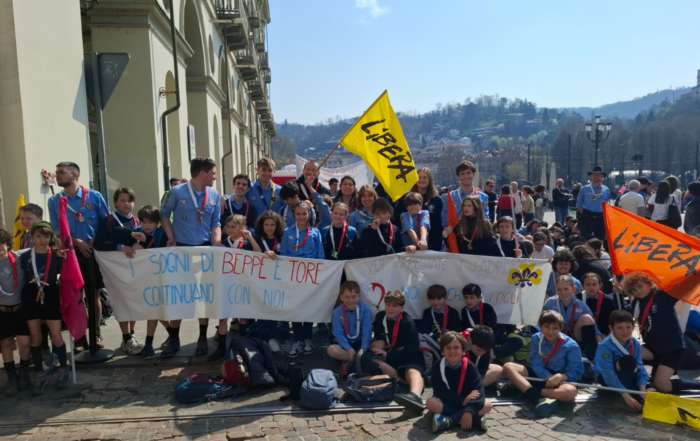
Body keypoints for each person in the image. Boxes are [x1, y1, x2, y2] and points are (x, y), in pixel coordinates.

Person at [159, 157, 222, 358]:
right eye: (213, 173)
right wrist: (170, 237)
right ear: (202, 173)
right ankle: (174, 338)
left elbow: (216, 223)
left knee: (204, 296)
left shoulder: (214, 194)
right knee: (180, 295)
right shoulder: (175, 192)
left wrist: (217, 241)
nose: (215, 177)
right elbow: (163, 215)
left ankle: (202, 337)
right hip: (182, 251)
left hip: (205, 250)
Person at [48, 161, 109, 350]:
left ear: (74, 174)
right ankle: (80, 337)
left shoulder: (94, 196)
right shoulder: (55, 200)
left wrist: (94, 240)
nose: (57, 175)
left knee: (94, 293)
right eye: (56, 172)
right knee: (76, 295)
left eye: (61, 172)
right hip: (71, 253)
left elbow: (106, 221)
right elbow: (57, 229)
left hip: (93, 251)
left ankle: (95, 332)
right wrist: (77, 242)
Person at [622, 272, 700, 393]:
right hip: (652, 348)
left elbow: (684, 286)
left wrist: (696, 272)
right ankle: (631, 384)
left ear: (649, 284)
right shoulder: (636, 303)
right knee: (622, 351)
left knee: (662, 385)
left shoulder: (663, 296)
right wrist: (615, 294)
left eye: (640, 286)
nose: (638, 291)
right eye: (634, 289)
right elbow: (621, 314)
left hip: (672, 349)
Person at [500, 310, 583, 418]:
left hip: (559, 381)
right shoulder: (536, 338)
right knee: (508, 366)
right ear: (540, 326)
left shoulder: (571, 345)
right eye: (546, 327)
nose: (550, 331)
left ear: (560, 328)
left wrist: (560, 376)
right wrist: (548, 377)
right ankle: (537, 397)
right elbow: (535, 362)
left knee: (570, 392)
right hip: (541, 375)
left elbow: (576, 371)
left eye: (555, 328)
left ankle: (523, 390)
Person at [93, 187, 146, 355]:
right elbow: (99, 243)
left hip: (133, 270)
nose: (126, 203)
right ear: (115, 202)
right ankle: (126, 337)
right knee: (122, 302)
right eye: (122, 200)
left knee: (133, 302)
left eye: (129, 200)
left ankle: (132, 334)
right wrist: (119, 247)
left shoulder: (137, 222)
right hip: (116, 271)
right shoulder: (108, 220)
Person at [19, 222, 71, 394]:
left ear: (51, 237)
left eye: (46, 236)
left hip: (50, 296)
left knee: (56, 335)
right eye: (38, 236)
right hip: (31, 297)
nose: (42, 240)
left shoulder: (57, 255)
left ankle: (63, 369)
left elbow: (69, 274)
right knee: (35, 336)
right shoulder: (24, 256)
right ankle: (39, 372)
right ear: (32, 237)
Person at [208, 215, 261, 362]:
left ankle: (243, 346)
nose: (230, 230)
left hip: (242, 284)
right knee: (223, 316)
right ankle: (221, 348)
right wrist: (217, 248)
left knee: (242, 316)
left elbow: (258, 254)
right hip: (225, 284)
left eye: (233, 227)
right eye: (228, 227)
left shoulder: (247, 244)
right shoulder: (223, 244)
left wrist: (251, 238)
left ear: (242, 228)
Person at [281, 201, 324, 358]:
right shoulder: (287, 232)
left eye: (304, 213)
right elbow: (284, 254)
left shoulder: (315, 232)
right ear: (293, 215)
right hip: (294, 276)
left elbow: (320, 255)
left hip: (310, 276)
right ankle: (297, 339)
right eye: (298, 214)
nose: (301, 216)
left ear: (309, 214)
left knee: (309, 307)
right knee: (296, 307)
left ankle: (307, 338)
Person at [372, 290, 426, 413]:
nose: (390, 308)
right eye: (388, 305)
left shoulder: (407, 322)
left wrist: (388, 354)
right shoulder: (380, 317)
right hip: (390, 353)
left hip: (408, 354)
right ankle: (404, 380)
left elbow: (412, 349)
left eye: (395, 306)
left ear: (402, 308)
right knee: (374, 359)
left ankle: (415, 395)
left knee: (411, 370)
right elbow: (380, 337)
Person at [428, 331, 491, 434]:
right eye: (448, 347)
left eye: (456, 347)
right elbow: (440, 392)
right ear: (442, 351)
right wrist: (462, 401)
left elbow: (479, 390)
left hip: (468, 402)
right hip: (449, 401)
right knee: (431, 403)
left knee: (488, 404)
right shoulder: (437, 367)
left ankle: (449, 421)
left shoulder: (470, 367)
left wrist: (468, 410)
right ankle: (475, 420)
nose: (452, 351)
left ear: (463, 351)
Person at [129, 205, 169, 359]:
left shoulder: (162, 234)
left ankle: (149, 343)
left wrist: (142, 250)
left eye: (150, 222)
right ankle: (172, 334)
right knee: (152, 310)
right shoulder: (135, 232)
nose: (146, 225)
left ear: (157, 222)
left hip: (158, 278)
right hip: (140, 278)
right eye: (144, 221)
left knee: (154, 310)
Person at [594, 310, 648, 411]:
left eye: (628, 327)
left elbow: (640, 366)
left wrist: (642, 391)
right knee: (629, 360)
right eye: (619, 328)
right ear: (611, 328)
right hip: (606, 378)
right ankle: (620, 397)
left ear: (633, 327)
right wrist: (625, 396)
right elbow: (607, 372)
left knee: (650, 390)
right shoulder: (605, 346)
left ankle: (616, 394)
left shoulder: (635, 343)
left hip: (627, 375)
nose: (625, 331)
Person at [0, 228, 31, 397]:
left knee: (24, 342)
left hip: (20, 309)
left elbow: (41, 248)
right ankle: (11, 375)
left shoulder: (19, 256)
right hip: (2, 311)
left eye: (2, 243)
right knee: (5, 343)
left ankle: (24, 370)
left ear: (8, 244)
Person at [544, 275, 601, 361]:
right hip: (556, 335)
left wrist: (600, 343)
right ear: (555, 290)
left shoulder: (581, 305)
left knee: (587, 318)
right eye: (559, 290)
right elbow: (542, 323)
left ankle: (591, 357)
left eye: (566, 289)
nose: (563, 293)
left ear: (574, 289)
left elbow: (594, 326)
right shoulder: (550, 303)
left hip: (575, 335)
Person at [461, 284, 522, 361]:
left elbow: (493, 330)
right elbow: (466, 330)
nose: (468, 301)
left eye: (472, 298)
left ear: (479, 298)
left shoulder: (487, 308)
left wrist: (491, 348)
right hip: (474, 340)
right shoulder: (464, 311)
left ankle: (493, 354)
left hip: (490, 338)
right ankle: (491, 356)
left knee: (517, 341)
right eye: (466, 297)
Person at [252, 211, 285, 352]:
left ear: (277, 226)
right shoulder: (257, 238)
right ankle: (262, 339)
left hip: (278, 280)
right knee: (261, 309)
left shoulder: (283, 238)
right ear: (262, 225)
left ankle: (272, 338)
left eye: (272, 225)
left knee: (274, 309)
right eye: (266, 225)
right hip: (261, 280)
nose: (269, 228)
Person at [394, 168, 444, 252]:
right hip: (409, 244)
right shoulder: (406, 198)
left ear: (430, 180)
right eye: (419, 177)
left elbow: (438, 223)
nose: (422, 180)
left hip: (431, 243)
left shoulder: (437, 200)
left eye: (425, 177)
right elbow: (398, 220)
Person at [327, 281, 372, 366]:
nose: (351, 300)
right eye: (347, 297)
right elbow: (338, 333)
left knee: (377, 345)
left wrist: (363, 349)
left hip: (359, 342)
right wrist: (349, 349)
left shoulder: (365, 311)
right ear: (341, 297)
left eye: (354, 296)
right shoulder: (337, 312)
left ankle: (355, 359)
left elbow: (367, 331)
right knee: (331, 350)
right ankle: (360, 360)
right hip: (344, 343)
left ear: (359, 296)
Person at [441, 161, 489, 230]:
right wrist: (447, 231)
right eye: (462, 174)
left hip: (476, 234)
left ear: (474, 174)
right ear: (458, 176)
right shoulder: (449, 197)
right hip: (455, 234)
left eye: (468, 173)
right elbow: (445, 217)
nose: (466, 176)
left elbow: (486, 218)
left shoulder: (483, 197)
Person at [576, 273, 617, 337]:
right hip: (583, 334)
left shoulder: (608, 300)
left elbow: (612, 321)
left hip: (603, 334)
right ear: (582, 286)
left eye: (594, 284)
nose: (591, 287)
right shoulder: (577, 299)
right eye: (588, 284)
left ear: (600, 285)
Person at [576, 166, 610, 241]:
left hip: (600, 217)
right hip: (587, 217)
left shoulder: (606, 189)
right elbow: (579, 204)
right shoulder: (584, 188)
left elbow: (606, 203)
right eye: (594, 175)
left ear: (602, 176)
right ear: (591, 176)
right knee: (585, 239)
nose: (596, 177)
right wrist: (585, 213)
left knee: (600, 239)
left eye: (598, 175)